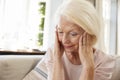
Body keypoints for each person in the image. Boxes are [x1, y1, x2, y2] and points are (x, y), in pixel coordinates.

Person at [23, 0, 116, 80]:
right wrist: (57, 59)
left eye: (73, 34)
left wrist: (88, 66)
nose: (64, 40)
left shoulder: (104, 61)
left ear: (90, 34)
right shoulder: (53, 53)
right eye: (60, 32)